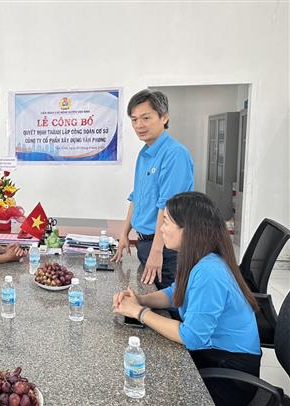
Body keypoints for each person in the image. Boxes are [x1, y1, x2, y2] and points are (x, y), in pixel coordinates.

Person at [113, 192, 261, 406]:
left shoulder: (209, 271)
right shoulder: (197, 258)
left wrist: (139, 313)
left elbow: (192, 337)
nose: (160, 229)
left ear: (188, 230)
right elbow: (174, 294)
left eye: (166, 222)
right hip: (211, 356)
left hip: (229, 376)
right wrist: (141, 299)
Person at [113, 89, 194, 289]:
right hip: (145, 243)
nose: (139, 125)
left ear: (164, 117)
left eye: (146, 118)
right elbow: (136, 196)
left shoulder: (175, 154)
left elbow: (167, 207)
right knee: (149, 297)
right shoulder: (145, 153)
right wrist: (124, 233)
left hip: (167, 249)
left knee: (169, 302)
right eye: (134, 120)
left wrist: (157, 251)